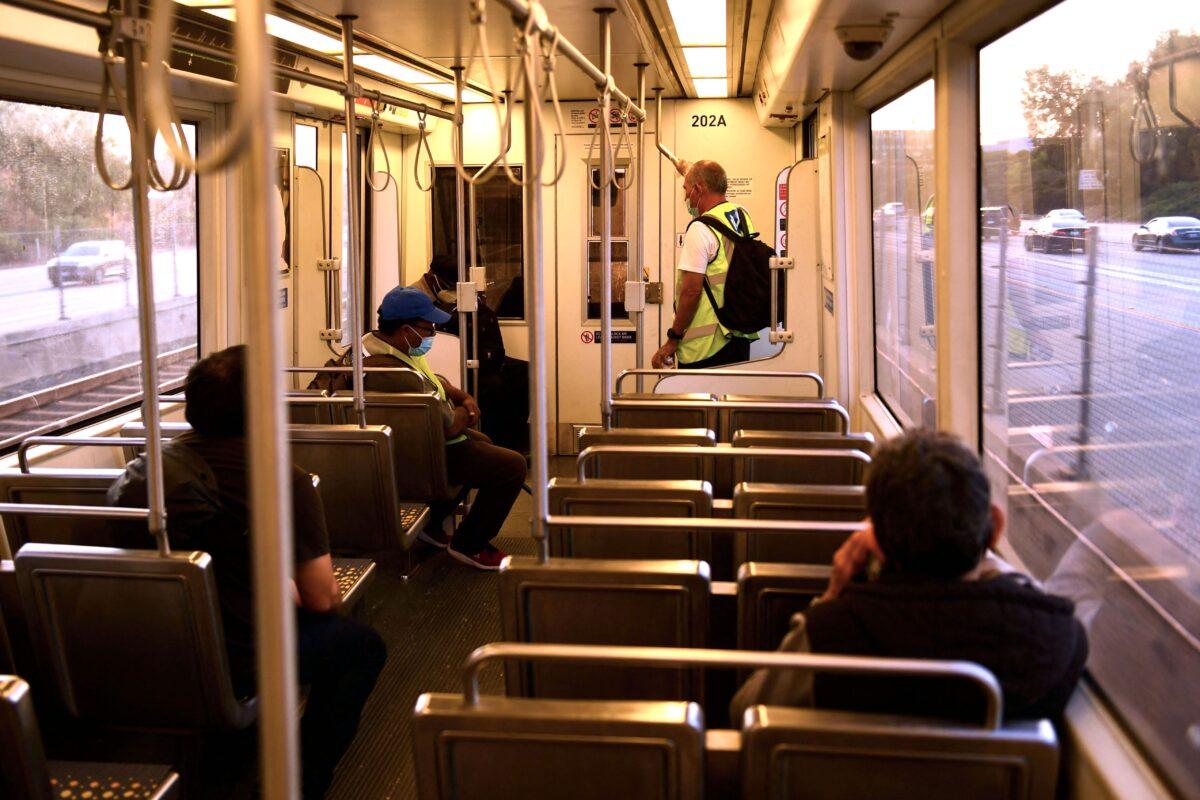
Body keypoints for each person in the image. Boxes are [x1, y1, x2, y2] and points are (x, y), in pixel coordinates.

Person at [108, 346, 386, 799]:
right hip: (237, 653)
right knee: (361, 647)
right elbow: (321, 598)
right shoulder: (282, 477)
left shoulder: (154, 467)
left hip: (144, 638)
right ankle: (302, 782)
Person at [730, 429, 1088, 724]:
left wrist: (830, 597)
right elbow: (1017, 596)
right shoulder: (1057, 639)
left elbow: (745, 712)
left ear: (879, 545)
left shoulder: (831, 634)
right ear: (995, 528)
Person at [361, 285, 526, 570]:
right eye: (428, 329)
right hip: (424, 454)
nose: (432, 335)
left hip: (424, 444)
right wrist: (466, 411)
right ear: (406, 329)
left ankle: (434, 522)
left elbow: (433, 380)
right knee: (512, 466)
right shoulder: (390, 372)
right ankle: (469, 545)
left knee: (483, 443)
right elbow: (449, 427)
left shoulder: (398, 350)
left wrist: (459, 395)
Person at [412, 255, 530, 453]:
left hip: (473, 350)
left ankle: (514, 437)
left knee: (524, 372)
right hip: (446, 355)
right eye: (449, 284)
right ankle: (496, 441)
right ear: (434, 278)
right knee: (494, 386)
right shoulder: (417, 296)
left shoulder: (459, 292)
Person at [652, 159, 758, 370]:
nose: (685, 197)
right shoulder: (741, 216)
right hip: (739, 335)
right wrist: (686, 171)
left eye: (686, 189)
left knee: (701, 403)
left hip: (707, 347)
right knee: (731, 402)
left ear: (698, 189)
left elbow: (691, 291)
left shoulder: (700, 229)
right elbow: (710, 174)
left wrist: (673, 339)